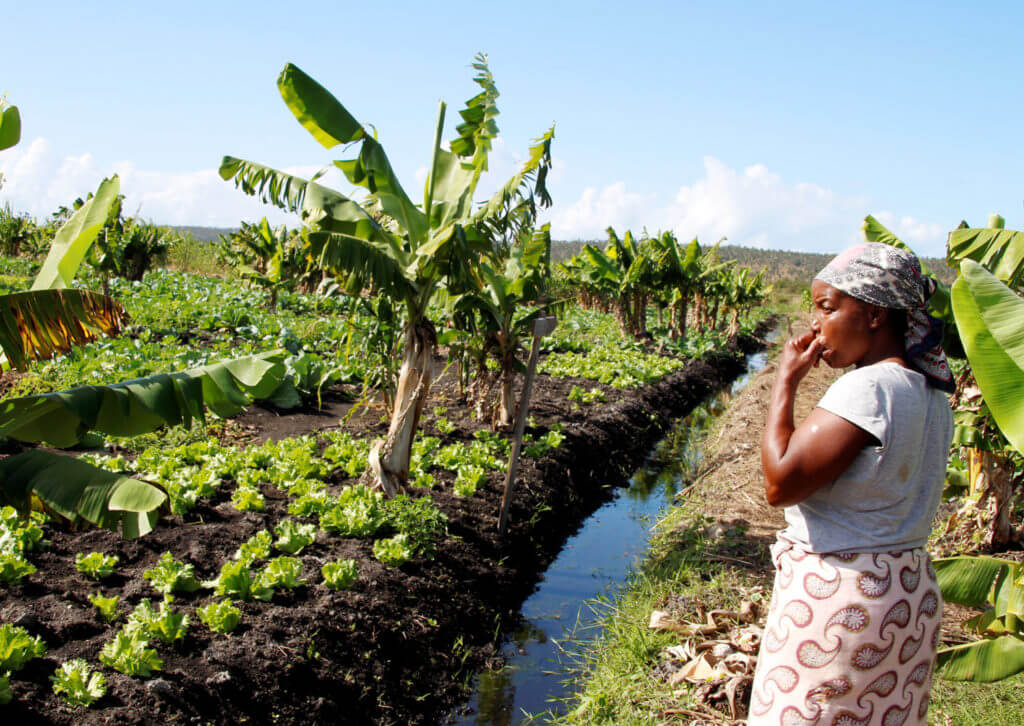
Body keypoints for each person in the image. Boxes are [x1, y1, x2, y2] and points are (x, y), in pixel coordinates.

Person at [749, 242, 954, 725]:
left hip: (842, 601)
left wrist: (785, 383)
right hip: (907, 592)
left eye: (827, 307)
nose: (816, 324)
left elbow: (780, 483)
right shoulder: (932, 396)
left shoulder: (868, 388)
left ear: (875, 314)